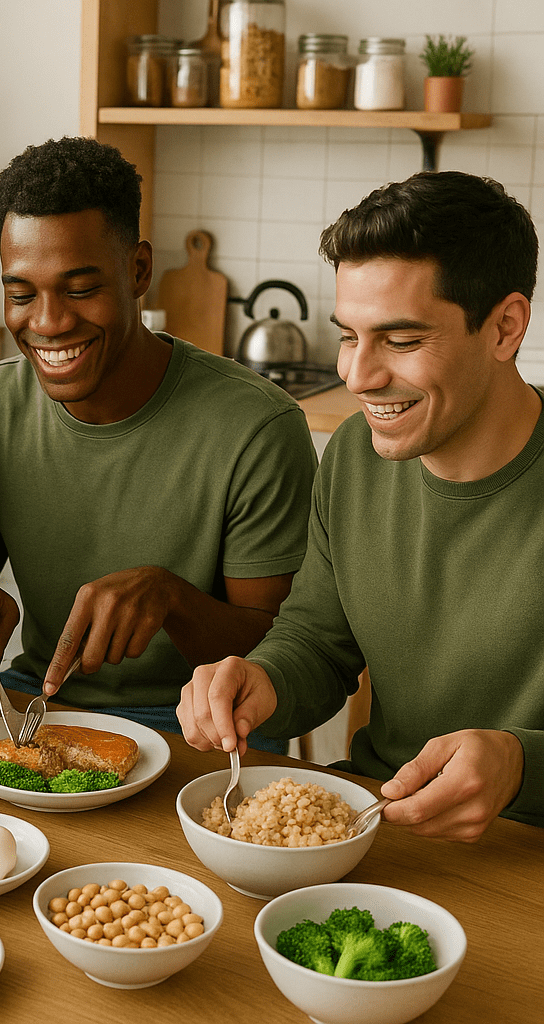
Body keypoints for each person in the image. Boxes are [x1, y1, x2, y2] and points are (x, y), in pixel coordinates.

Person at [177, 170, 543, 840]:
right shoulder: (354, 454)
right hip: (378, 823)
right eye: (350, 335)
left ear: (505, 327)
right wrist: (263, 681)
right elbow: (318, 641)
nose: (358, 375)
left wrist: (523, 763)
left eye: (401, 340)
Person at [0, 136, 317, 741]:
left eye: (81, 289)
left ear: (138, 271)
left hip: (198, 726)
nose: (49, 321)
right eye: (20, 293)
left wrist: (173, 599)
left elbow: (282, 650)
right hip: (41, 705)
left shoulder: (257, 428)